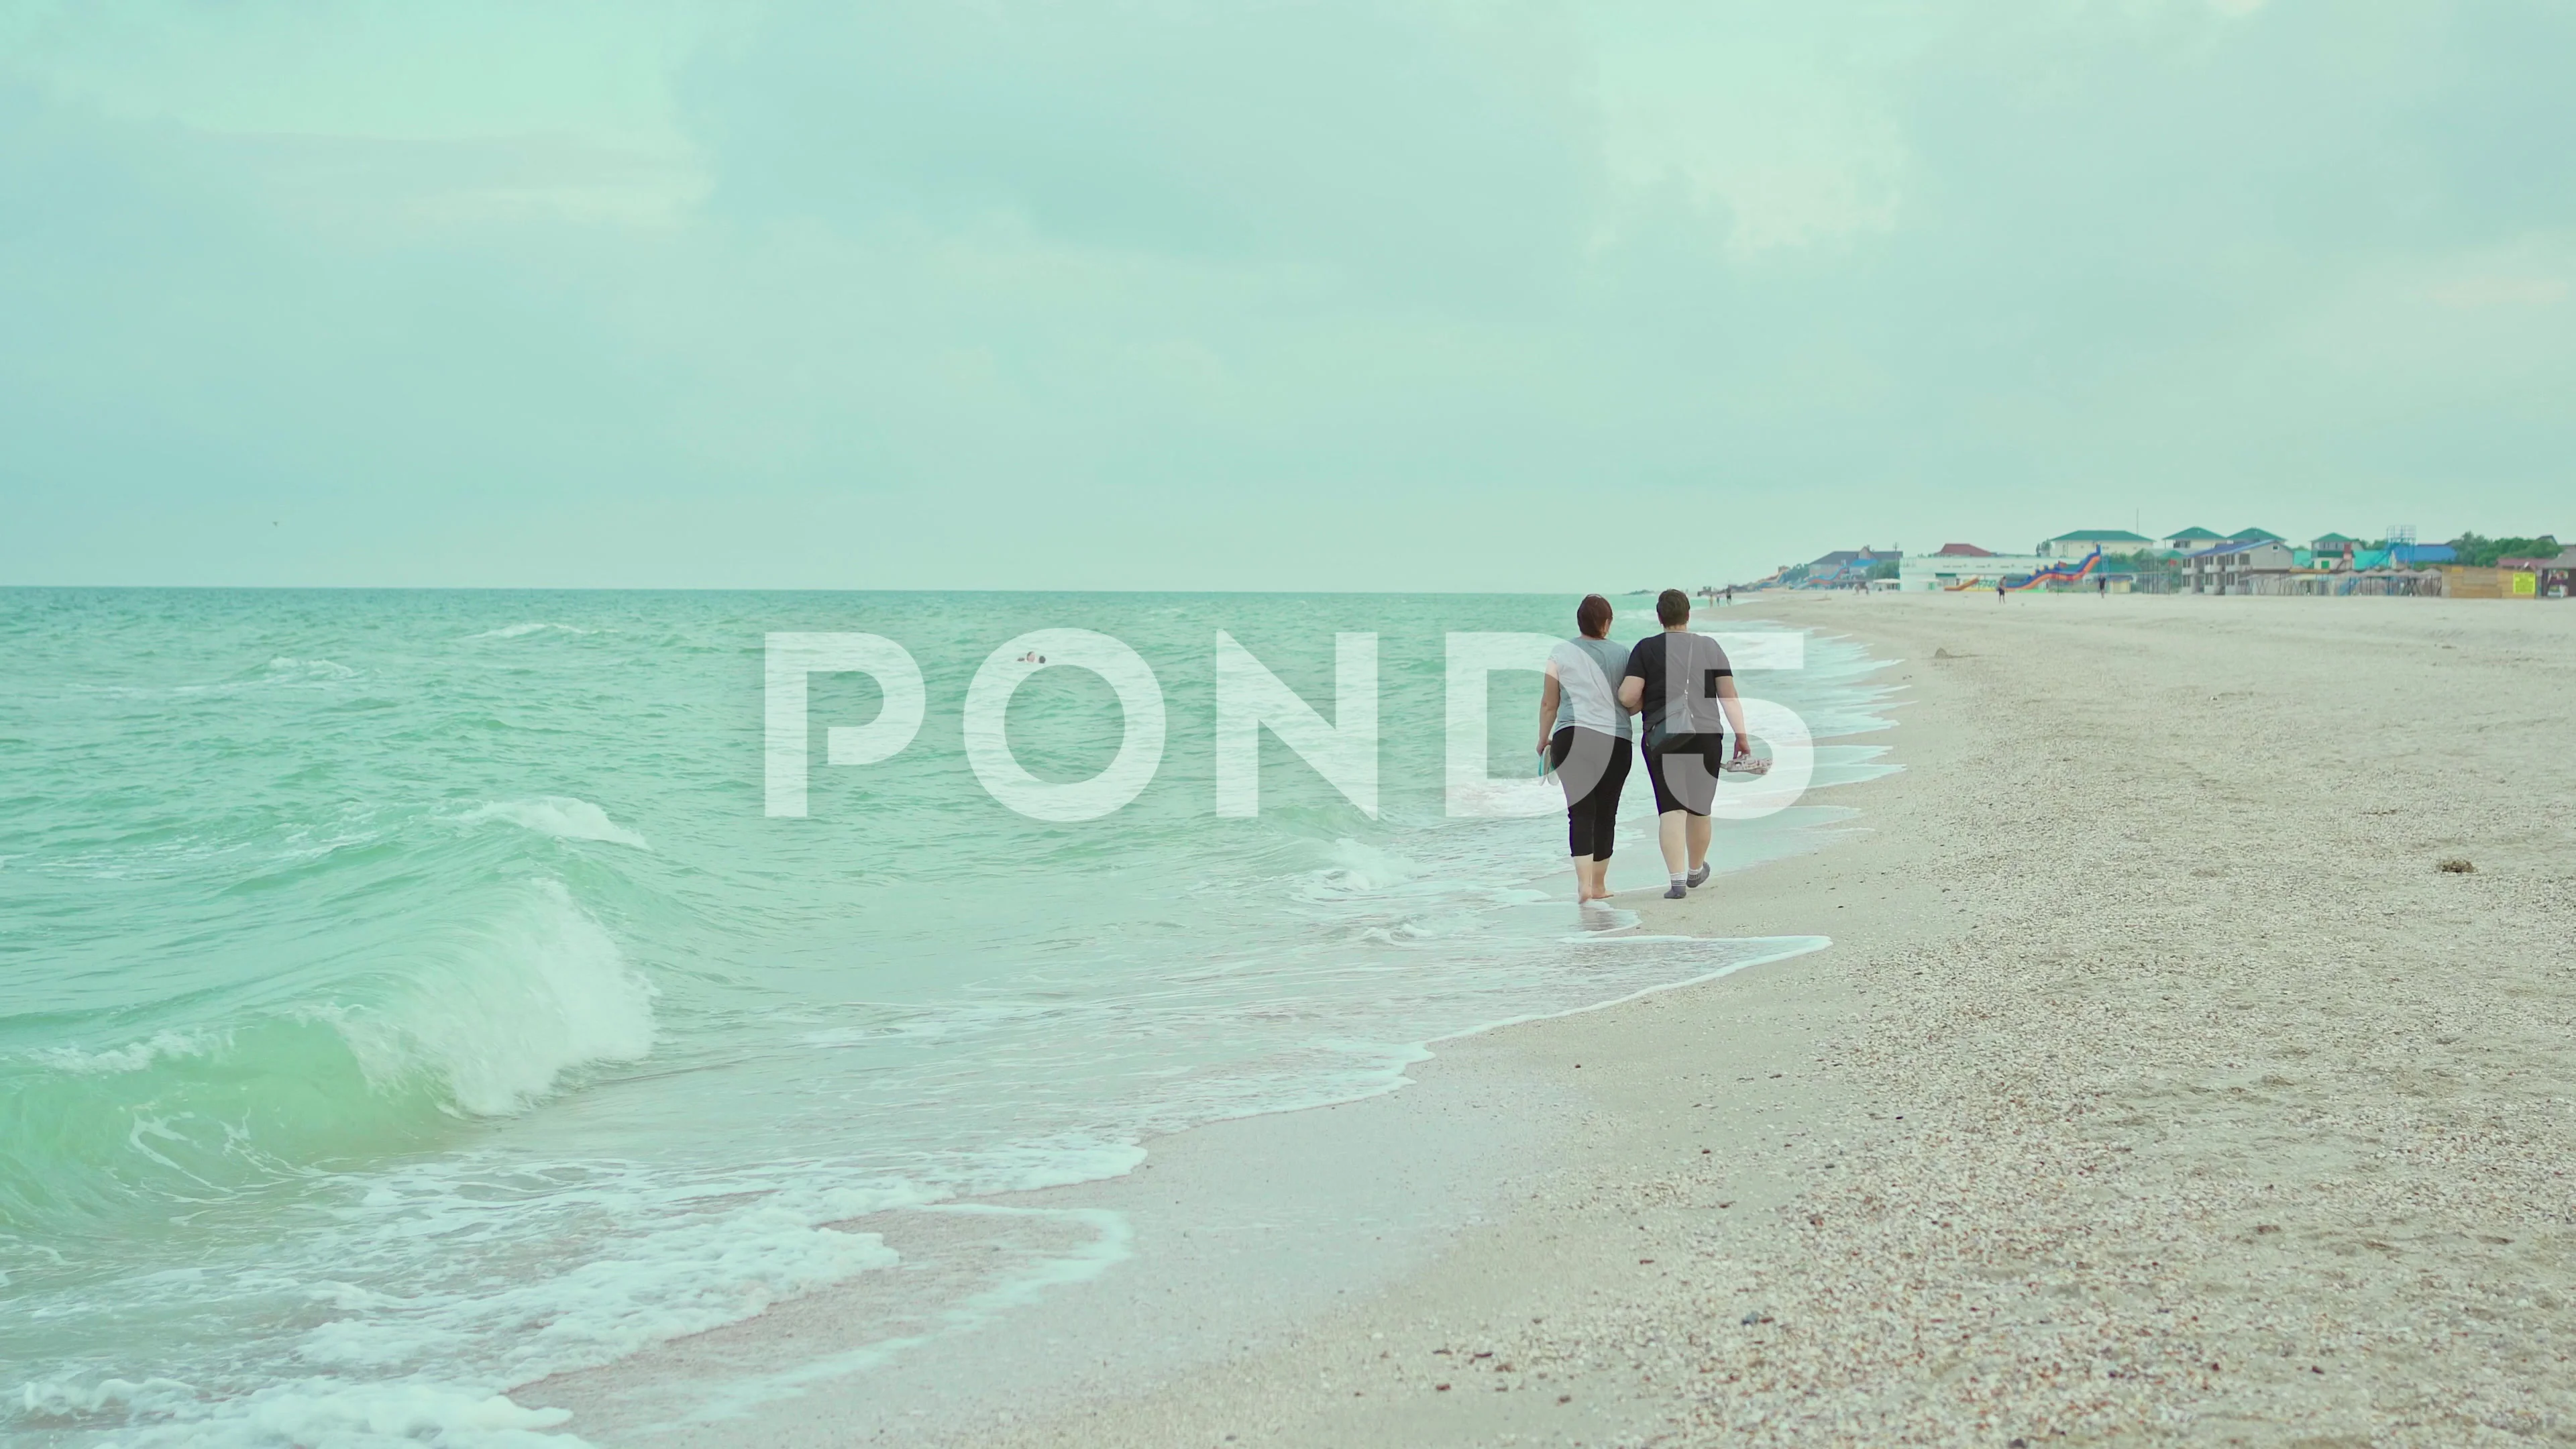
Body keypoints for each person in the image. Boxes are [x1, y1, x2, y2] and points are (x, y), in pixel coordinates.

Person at [1619, 589, 1750, 900]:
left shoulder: (1646, 649)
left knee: (1671, 810)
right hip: (1706, 735)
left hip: (1664, 736)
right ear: (1688, 615)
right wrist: (1742, 736)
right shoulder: (1711, 647)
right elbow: (1728, 696)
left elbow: (1626, 696)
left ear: (1659, 616)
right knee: (1700, 809)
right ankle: (1695, 871)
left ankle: (1676, 882)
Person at [1536, 594, 1635, 904]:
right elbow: (1631, 702)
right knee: (1607, 813)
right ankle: (1599, 885)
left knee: (1579, 813)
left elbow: (1550, 703)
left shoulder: (1559, 654)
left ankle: (1582, 886)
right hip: (1615, 740)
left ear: (1579, 622)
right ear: (1607, 623)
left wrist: (1542, 739)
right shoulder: (1623, 654)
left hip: (1570, 736)